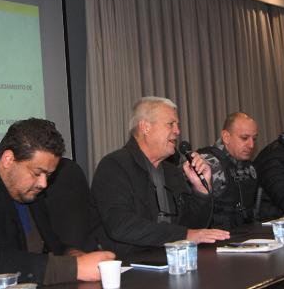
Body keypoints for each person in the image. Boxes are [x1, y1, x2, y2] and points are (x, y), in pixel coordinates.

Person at [0, 118, 114, 284]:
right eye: (37, 173)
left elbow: (49, 246)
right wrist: (76, 268)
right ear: (8, 159)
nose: (43, 183)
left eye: (48, 175)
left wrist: (73, 255)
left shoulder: (27, 191)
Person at [92, 96, 230, 257]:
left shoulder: (172, 171)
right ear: (145, 127)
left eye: (177, 125)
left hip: (173, 261)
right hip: (130, 268)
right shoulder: (114, 166)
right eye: (171, 124)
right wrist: (183, 235)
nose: (177, 131)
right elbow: (121, 225)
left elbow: (193, 228)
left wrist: (201, 191)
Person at [197, 112, 260, 229]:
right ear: (226, 137)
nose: (251, 145)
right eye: (244, 138)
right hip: (213, 241)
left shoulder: (249, 167)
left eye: (254, 139)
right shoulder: (206, 164)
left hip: (245, 236)